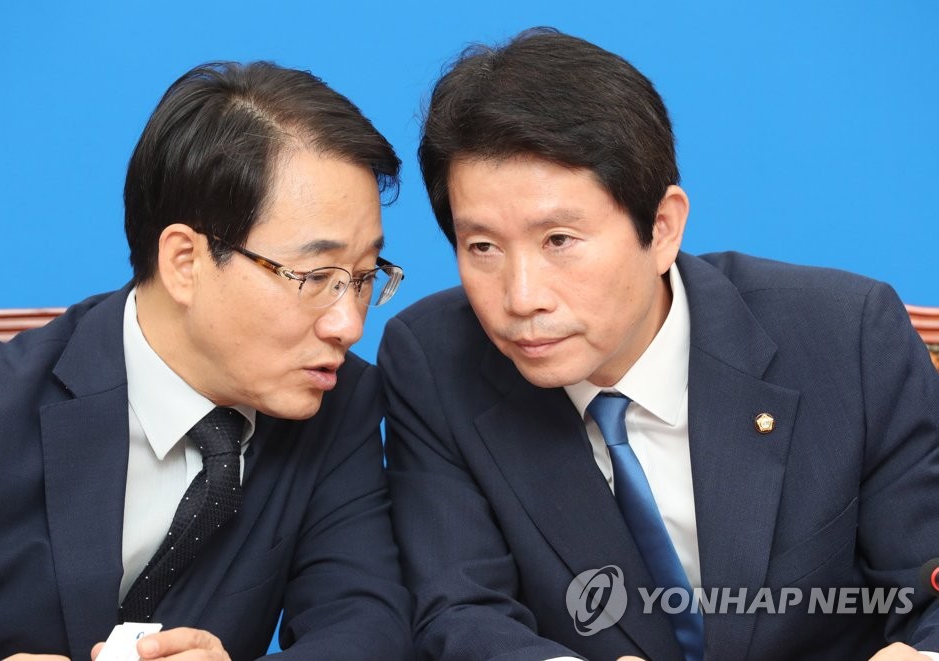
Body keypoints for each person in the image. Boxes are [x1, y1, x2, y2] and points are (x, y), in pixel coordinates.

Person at [379, 27, 939, 661]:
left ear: (664, 228)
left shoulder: (845, 335)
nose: (521, 297)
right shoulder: (433, 359)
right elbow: (459, 609)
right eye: (482, 247)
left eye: (559, 240)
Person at [0, 61, 413, 660]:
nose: (349, 326)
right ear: (184, 261)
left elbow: (365, 628)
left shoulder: (339, 402)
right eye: (314, 276)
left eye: (363, 276)